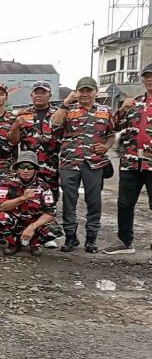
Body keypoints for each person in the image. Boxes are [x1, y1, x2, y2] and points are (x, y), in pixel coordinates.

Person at [52, 77, 115, 253]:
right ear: (77, 92)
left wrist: (106, 146)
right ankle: (71, 237)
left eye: (89, 90)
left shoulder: (105, 111)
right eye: (82, 91)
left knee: (94, 201)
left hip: (94, 163)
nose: (85, 94)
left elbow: (111, 134)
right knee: (69, 201)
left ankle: (91, 239)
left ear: (96, 91)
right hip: (69, 162)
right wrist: (65, 103)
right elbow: (55, 123)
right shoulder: (68, 109)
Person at [104, 63, 152, 255]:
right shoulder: (135, 103)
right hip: (130, 162)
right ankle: (125, 242)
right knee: (124, 203)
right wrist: (122, 109)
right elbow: (114, 127)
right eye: (146, 76)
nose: (149, 80)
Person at [0, 151, 63, 256]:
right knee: (0, 217)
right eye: (22, 166)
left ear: (35, 169)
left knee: (54, 229)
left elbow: (50, 213)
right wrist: (22, 198)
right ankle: (14, 244)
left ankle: (34, 243)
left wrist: (33, 226)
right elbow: (1, 207)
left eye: (30, 167)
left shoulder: (42, 186)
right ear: (17, 168)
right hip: (15, 221)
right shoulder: (7, 182)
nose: (26, 170)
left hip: (34, 223)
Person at [8, 81, 62, 203]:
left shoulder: (57, 114)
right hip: (29, 167)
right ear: (31, 95)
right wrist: (16, 127)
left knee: (50, 198)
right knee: (29, 197)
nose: (39, 95)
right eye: (36, 92)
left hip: (51, 166)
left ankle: (47, 220)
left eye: (43, 93)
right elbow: (13, 141)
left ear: (50, 95)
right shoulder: (23, 114)